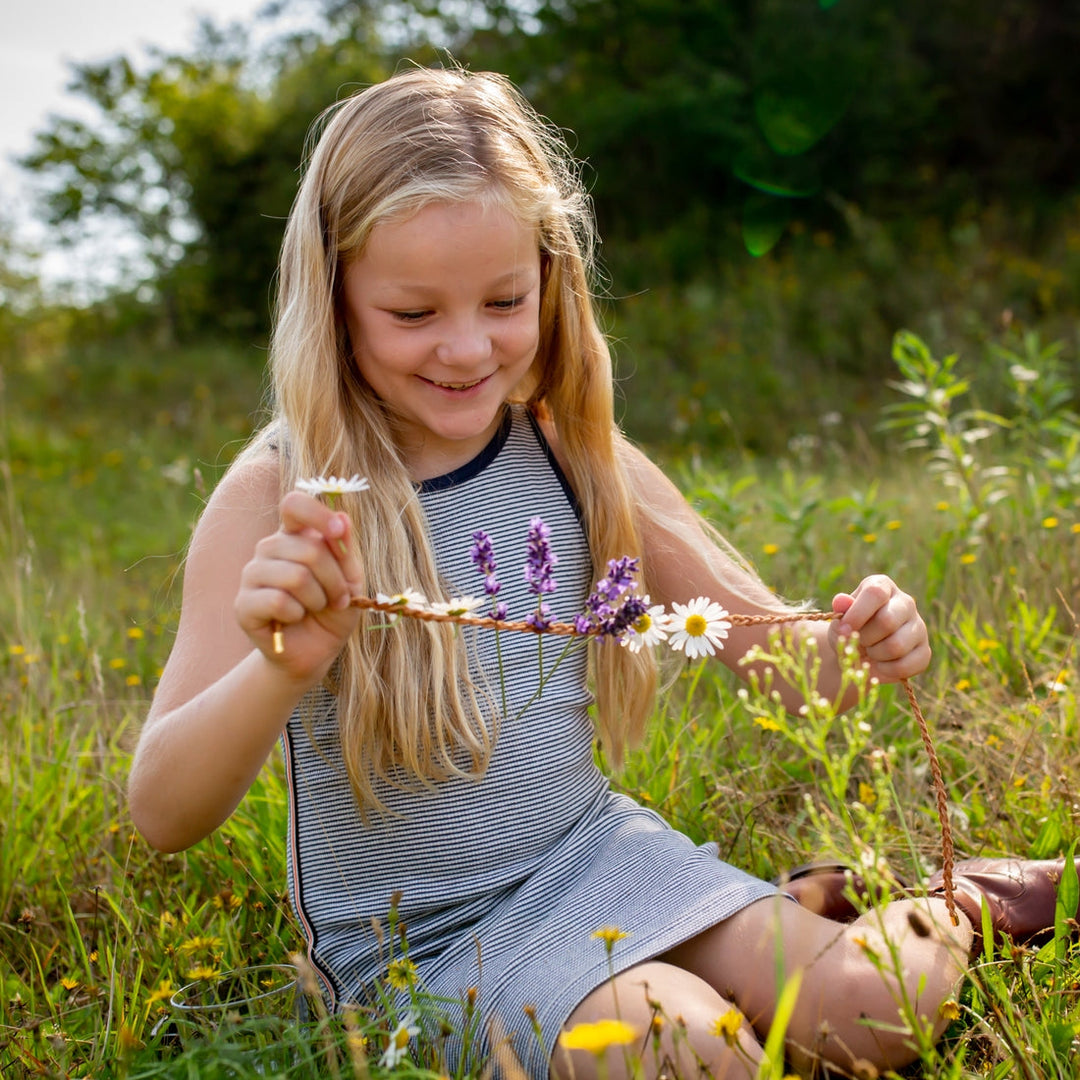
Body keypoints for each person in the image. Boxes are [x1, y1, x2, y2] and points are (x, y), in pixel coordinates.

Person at [127, 67, 1070, 1079]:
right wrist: (282, 665)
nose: (465, 346)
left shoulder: (574, 451)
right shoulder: (282, 493)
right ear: (337, 298)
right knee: (684, 1050)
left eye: (503, 300)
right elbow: (163, 813)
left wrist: (863, 642)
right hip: (430, 948)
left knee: (883, 1008)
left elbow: (779, 663)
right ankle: (773, 935)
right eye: (412, 313)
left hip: (601, 859)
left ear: (549, 277)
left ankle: (948, 896)